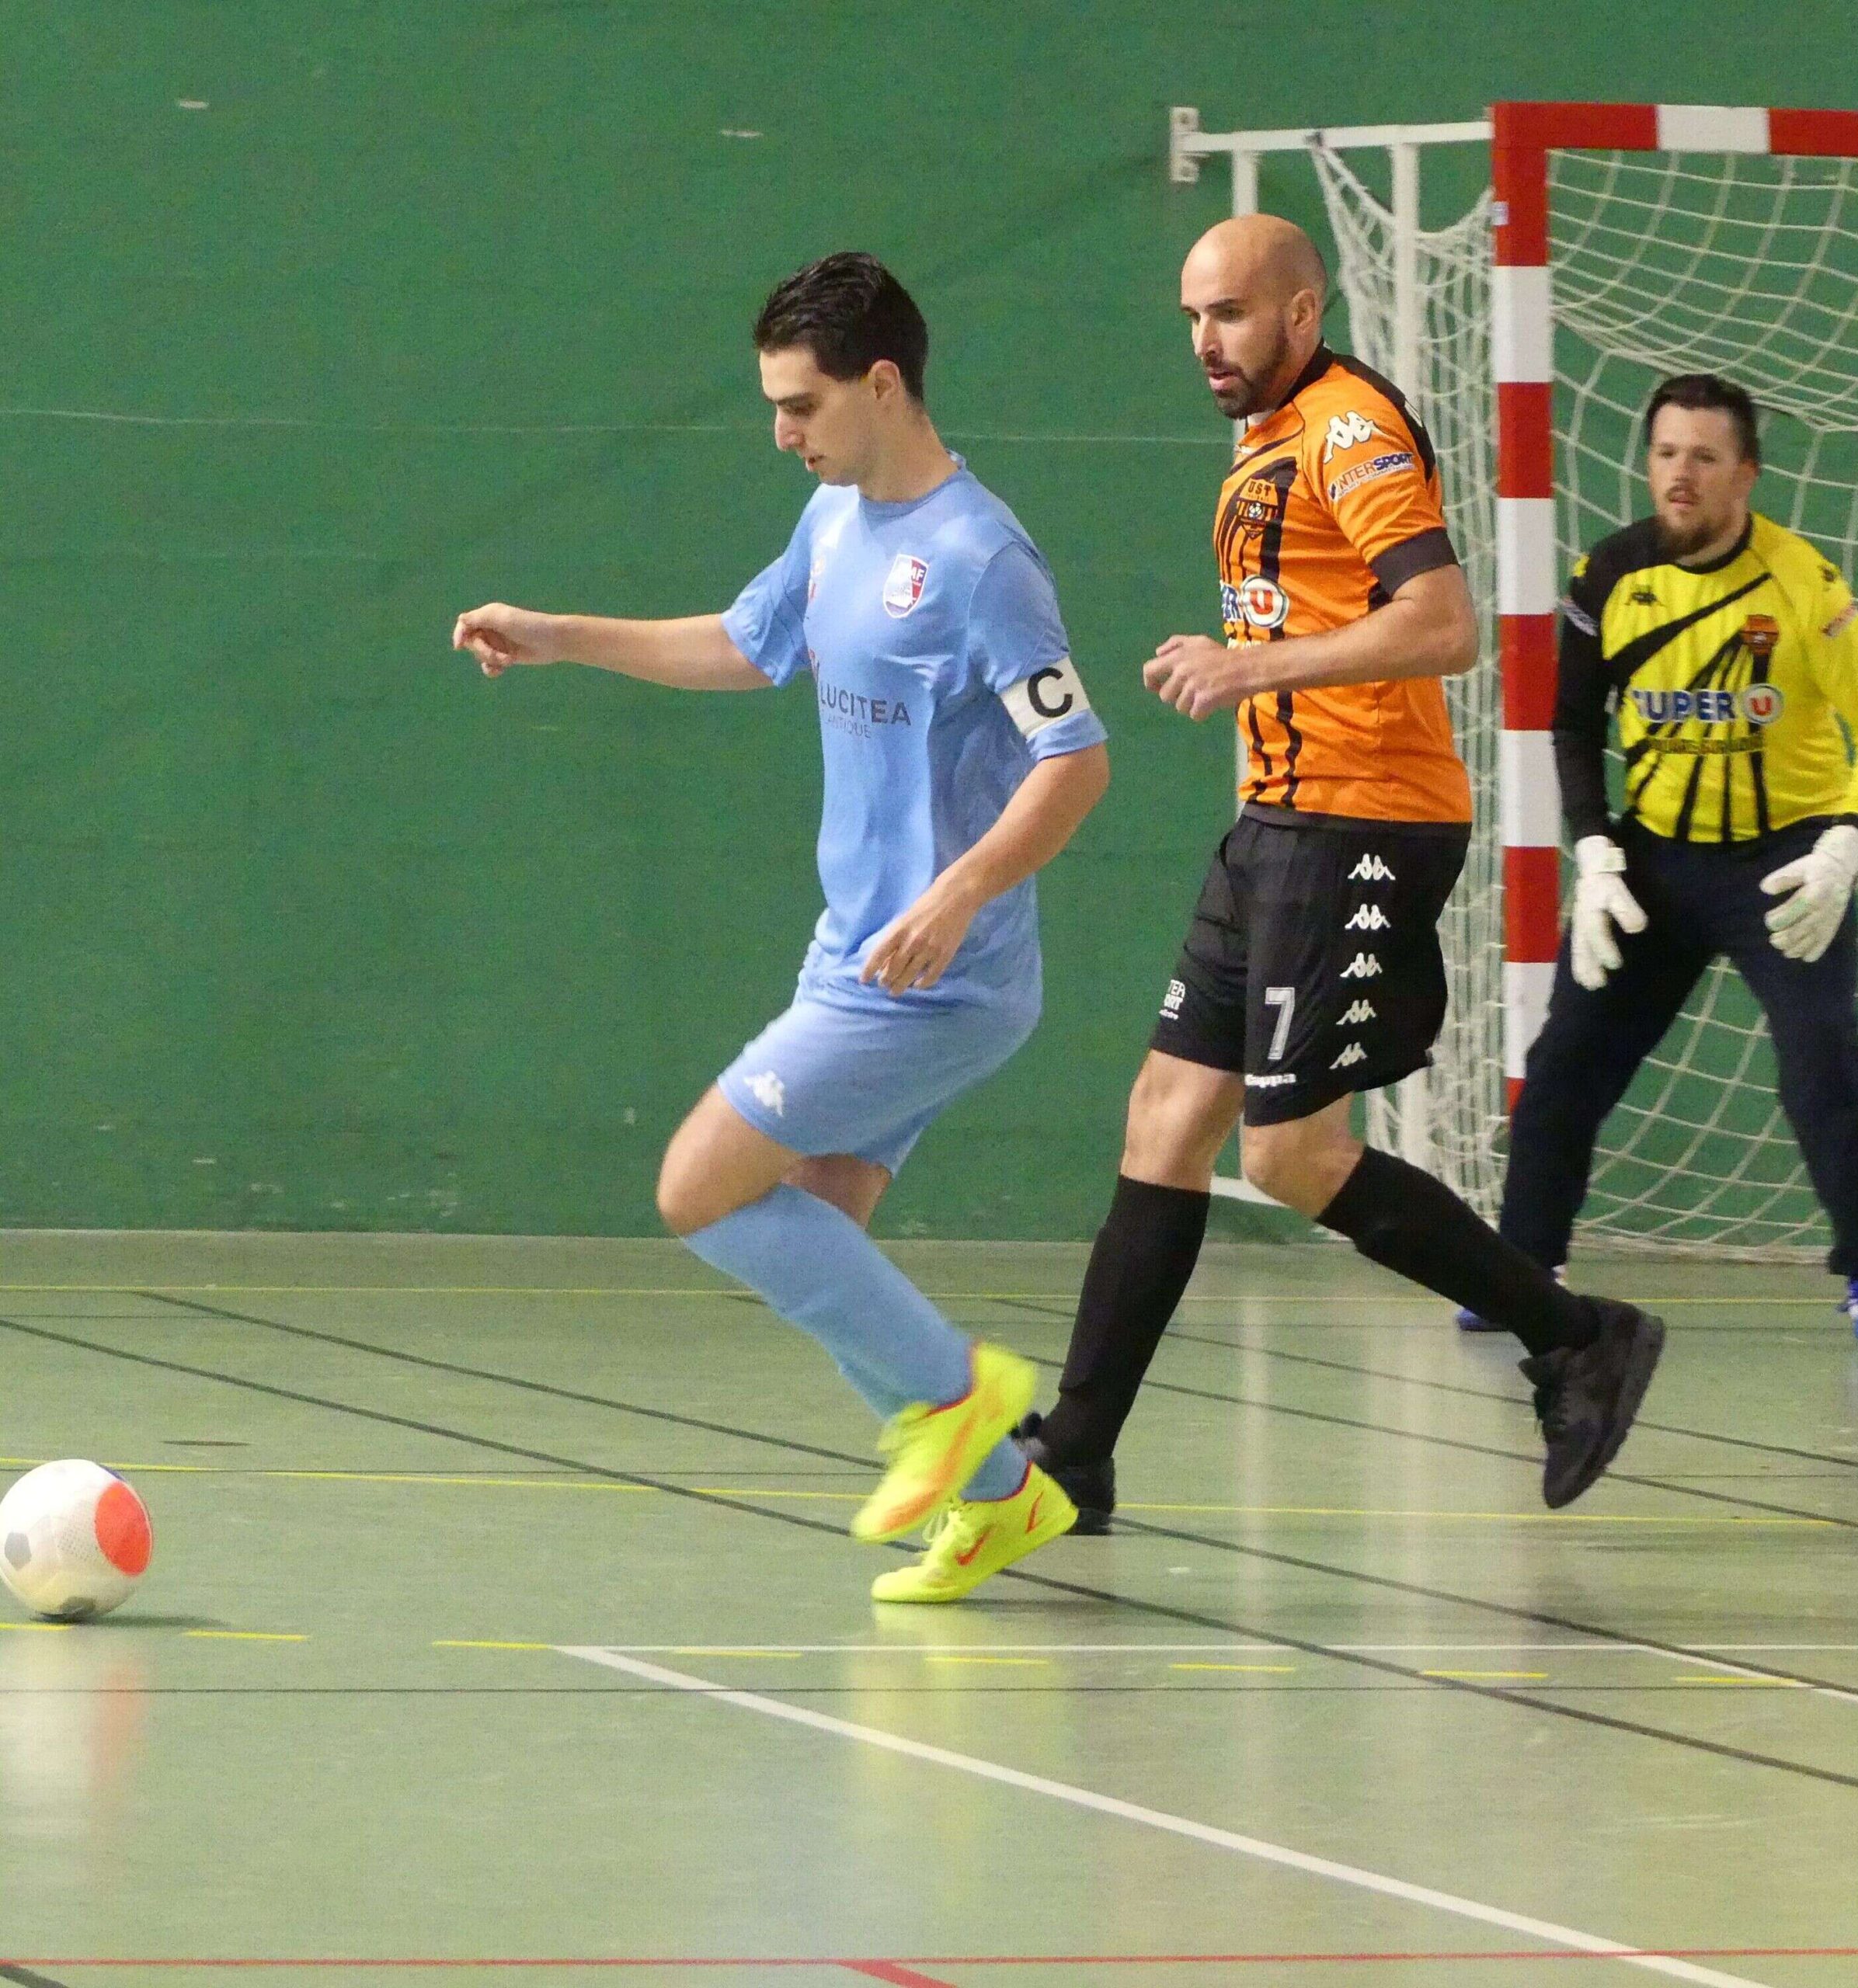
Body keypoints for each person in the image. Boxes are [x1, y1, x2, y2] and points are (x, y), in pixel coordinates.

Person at [453, 252, 1111, 1597]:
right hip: (852, 952)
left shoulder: (982, 559)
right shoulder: (832, 524)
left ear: (885, 385)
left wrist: (959, 893)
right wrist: (558, 634)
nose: (782, 433)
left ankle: (962, 1401)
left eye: (802, 405)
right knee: (813, 1228)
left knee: (697, 1186)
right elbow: (748, 646)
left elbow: (1077, 763)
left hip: (940, 976)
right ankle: (998, 1500)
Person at [1015, 215, 1665, 1536]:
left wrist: (1249, 666)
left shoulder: (1348, 429)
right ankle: (1076, 1456)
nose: (1206, 342)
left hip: (1362, 821)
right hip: (1279, 819)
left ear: (1303, 312)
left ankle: (1577, 1336)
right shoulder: (1266, 433)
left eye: (1232, 314)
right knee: (1164, 1122)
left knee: (1292, 1153)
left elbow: (1445, 624)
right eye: (1193, 318)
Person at [1463, 373, 1858, 1350]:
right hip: (1651, 863)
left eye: (1704, 457)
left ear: (1744, 474)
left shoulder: (1807, 586)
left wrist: (1844, 847)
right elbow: (1572, 724)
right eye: (1666, 453)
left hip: (1784, 867)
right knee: (1564, 1060)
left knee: (1823, 1061)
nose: (1681, 474)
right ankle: (1523, 1268)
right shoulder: (1606, 576)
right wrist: (1594, 850)